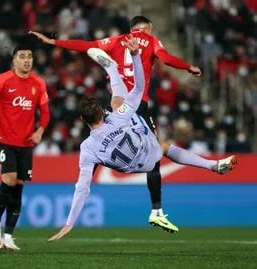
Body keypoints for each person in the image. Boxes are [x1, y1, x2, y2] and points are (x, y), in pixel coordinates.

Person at [48, 41, 237, 241]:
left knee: (119, 104)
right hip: (149, 149)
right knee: (131, 114)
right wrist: (136, 56)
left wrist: (68, 224)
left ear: (82, 120)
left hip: (134, 166)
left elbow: (82, 188)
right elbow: (139, 87)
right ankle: (213, 166)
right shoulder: (117, 117)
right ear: (100, 112)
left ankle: (112, 69)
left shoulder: (87, 149)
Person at [30, 15, 202, 232]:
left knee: (112, 139)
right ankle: (156, 211)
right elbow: (166, 59)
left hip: (118, 103)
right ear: (145, 28)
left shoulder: (115, 40)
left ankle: (91, 180)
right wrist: (189, 67)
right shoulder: (151, 40)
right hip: (137, 104)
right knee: (156, 151)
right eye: (149, 29)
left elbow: (87, 46)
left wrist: (54, 42)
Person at [0, 42, 50, 250]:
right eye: (22, 56)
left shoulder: (39, 83)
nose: (27, 60)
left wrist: (40, 131)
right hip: (5, 141)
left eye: (30, 56)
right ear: (14, 60)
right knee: (8, 181)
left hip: (26, 144)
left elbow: (45, 113)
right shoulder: (3, 80)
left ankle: (8, 235)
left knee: (18, 187)